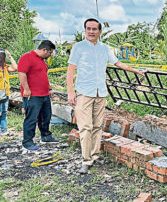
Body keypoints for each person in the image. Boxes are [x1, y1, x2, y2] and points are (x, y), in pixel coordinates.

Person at [66, 18, 146, 174]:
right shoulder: (78, 47)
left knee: (97, 126)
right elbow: (70, 71)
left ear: (99, 31)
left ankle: (94, 155)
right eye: (88, 29)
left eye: (94, 29)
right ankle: (86, 160)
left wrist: (136, 71)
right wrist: (70, 93)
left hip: (100, 93)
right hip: (84, 92)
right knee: (85, 127)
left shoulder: (104, 48)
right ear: (85, 30)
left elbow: (118, 63)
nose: (91, 31)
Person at [18, 40, 58, 151]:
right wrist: (26, 89)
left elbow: (42, 75)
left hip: (44, 94)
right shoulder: (27, 57)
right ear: (44, 50)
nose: (50, 55)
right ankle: (27, 141)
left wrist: (49, 89)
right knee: (31, 118)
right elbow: (22, 73)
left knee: (46, 116)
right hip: (33, 95)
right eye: (50, 53)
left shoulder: (41, 60)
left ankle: (46, 136)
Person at [0, 49, 18, 135]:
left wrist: (10, 56)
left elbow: (15, 68)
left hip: (5, 94)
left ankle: (4, 130)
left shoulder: (6, 67)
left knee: (4, 113)